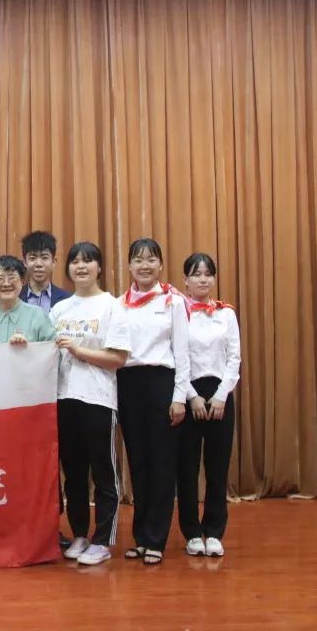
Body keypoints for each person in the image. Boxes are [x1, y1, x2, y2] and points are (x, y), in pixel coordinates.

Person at [49, 242, 131, 566]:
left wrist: (79, 351)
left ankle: (103, 540)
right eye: (75, 262)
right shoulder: (59, 310)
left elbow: (118, 358)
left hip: (97, 398)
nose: (81, 267)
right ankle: (80, 534)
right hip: (63, 398)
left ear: (99, 267)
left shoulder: (112, 306)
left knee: (103, 471)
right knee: (73, 473)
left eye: (88, 261)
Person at [115, 238, 190, 566]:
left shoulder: (173, 301)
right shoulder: (118, 304)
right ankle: (141, 537)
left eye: (150, 260)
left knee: (162, 463)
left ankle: (157, 538)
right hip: (128, 384)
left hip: (162, 383)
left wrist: (179, 398)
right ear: (129, 265)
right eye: (138, 260)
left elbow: (183, 353)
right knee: (138, 462)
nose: (144, 265)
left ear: (160, 265)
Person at [178, 253, 241, 558]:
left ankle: (214, 531)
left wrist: (221, 395)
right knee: (187, 469)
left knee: (217, 468)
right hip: (188, 394)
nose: (202, 279)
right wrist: (191, 396)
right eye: (196, 274)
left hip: (219, 396)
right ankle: (191, 532)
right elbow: (177, 358)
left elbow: (234, 358)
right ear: (185, 281)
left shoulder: (226, 314)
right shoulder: (178, 313)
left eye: (208, 274)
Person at [0, 255, 54, 345]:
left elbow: (53, 349)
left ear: (22, 281)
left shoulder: (37, 315)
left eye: (12, 278)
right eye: (0, 279)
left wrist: (28, 349)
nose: (6, 284)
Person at [20, 231, 71, 312]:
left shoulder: (67, 299)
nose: (39, 264)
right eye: (32, 258)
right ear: (25, 262)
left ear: (53, 262)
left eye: (44, 257)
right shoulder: (15, 298)